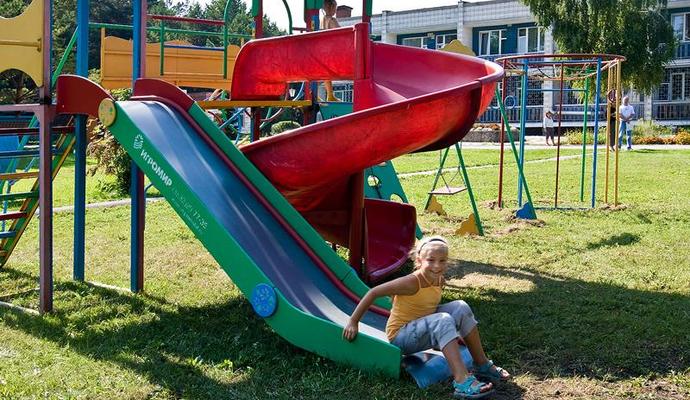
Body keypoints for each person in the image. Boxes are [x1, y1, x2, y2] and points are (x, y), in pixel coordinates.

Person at [343, 236, 510, 399]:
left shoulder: (439, 279)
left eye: (442, 260)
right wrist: (353, 321)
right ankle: (462, 381)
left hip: (422, 329)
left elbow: (427, 306)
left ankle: (481, 364)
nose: (437, 266)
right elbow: (373, 292)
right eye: (431, 260)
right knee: (443, 319)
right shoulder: (411, 282)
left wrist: (444, 337)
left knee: (461, 307)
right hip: (401, 337)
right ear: (419, 260)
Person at [320, 0, 340, 102]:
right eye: (335, 8)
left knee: (325, 74)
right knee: (328, 73)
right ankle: (330, 95)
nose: (335, 11)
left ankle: (329, 94)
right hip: (331, 49)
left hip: (323, 49)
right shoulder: (332, 20)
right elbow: (340, 32)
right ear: (331, 8)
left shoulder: (322, 20)